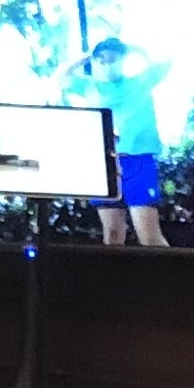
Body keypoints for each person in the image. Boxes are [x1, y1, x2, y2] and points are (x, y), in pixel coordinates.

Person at [59, 37, 172, 246]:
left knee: (149, 234)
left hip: (138, 161)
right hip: (105, 163)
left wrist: (136, 49)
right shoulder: (90, 86)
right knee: (112, 234)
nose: (106, 64)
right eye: (101, 60)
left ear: (122, 59)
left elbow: (165, 61)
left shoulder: (140, 82)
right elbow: (62, 77)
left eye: (112, 59)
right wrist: (88, 57)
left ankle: (168, 268)